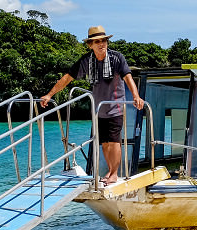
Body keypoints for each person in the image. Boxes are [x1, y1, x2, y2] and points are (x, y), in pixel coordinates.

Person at [40, 25, 144, 186]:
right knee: (104, 142)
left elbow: (128, 77)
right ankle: (109, 171)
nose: (101, 44)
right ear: (90, 45)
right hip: (98, 109)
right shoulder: (86, 61)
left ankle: (114, 174)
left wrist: (136, 96)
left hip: (115, 106)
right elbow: (67, 78)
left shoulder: (117, 58)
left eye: (103, 40)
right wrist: (49, 95)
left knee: (114, 141)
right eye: (97, 42)